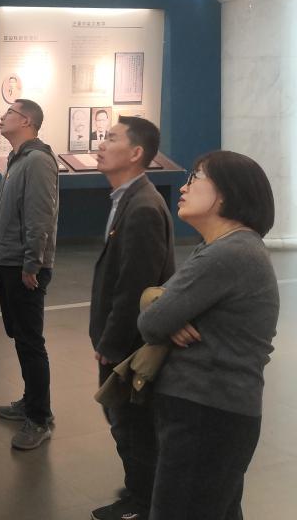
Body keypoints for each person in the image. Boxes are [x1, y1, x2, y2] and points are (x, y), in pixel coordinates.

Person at [138, 151, 279, 520]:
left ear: (226, 194)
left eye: (196, 177)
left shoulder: (228, 254)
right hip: (218, 412)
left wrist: (164, 311)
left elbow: (151, 323)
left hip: (206, 414)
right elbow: (159, 305)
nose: (184, 187)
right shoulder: (225, 247)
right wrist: (164, 309)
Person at [89, 117, 175, 520]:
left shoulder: (141, 207)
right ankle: (141, 491)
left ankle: (144, 503)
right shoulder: (128, 198)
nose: (101, 144)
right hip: (122, 342)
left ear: (136, 153)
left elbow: (134, 287)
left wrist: (111, 344)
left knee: (132, 425)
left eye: (111, 138)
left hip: (129, 347)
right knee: (124, 422)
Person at [0, 98, 59, 450]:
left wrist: (32, 263)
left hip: (25, 268)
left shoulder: (37, 161)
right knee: (20, 336)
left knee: (31, 341)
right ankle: (31, 400)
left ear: (27, 121)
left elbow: (39, 217)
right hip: (9, 262)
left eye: (9, 113)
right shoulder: (17, 159)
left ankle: (39, 418)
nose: (2, 117)